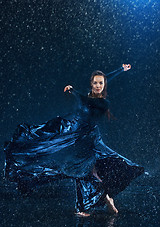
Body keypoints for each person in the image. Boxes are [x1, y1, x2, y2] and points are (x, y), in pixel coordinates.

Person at [4, 64, 144, 217]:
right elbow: (103, 80)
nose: (98, 86)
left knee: (82, 169)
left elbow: (86, 101)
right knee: (85, 169)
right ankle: (102, 198)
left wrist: (73, 91)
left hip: (87, 138)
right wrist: (120, 70)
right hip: (76, 132)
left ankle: (89, 204)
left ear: (104, 86)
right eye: (95, 83)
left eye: (101, 84)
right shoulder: (91, 93)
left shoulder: (103, 103)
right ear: (92, 84)